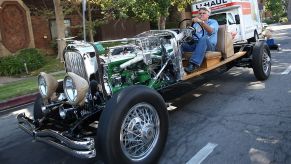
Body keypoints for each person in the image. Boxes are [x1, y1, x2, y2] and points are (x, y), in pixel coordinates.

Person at [182, 6, 219, 73]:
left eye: (204, 13)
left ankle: (193, 64)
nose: (201, 14)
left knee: (203, 38)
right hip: (197, 45)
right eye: (200, 13)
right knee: (181, 43)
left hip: (209, 46)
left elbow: (211, 31)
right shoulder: (196, 24)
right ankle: (173, 64)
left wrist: (201, 22)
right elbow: (192, 34)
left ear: (208, 14)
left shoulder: (213, 22)